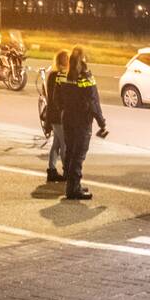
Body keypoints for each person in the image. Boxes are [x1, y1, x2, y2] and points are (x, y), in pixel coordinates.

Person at [58, 46, 106, 200]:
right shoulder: (86, 77)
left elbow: (56, 99)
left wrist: (65, 109)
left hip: (67, 119)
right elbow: (93, 102)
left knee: (71, 152)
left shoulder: (63, 74)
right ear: (84, 60)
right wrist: (101, 122)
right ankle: (73, 190)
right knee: (78, 156)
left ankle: (72, 185)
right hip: (82, 122)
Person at [45, 49, 69, 183]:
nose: (68, 60)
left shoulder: (53, 75)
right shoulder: (58, 75)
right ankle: (67, 170)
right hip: (58, 115)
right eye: (66, 58)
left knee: (57, 143)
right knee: (64, 143)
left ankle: (52, 170)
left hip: (54, 114)